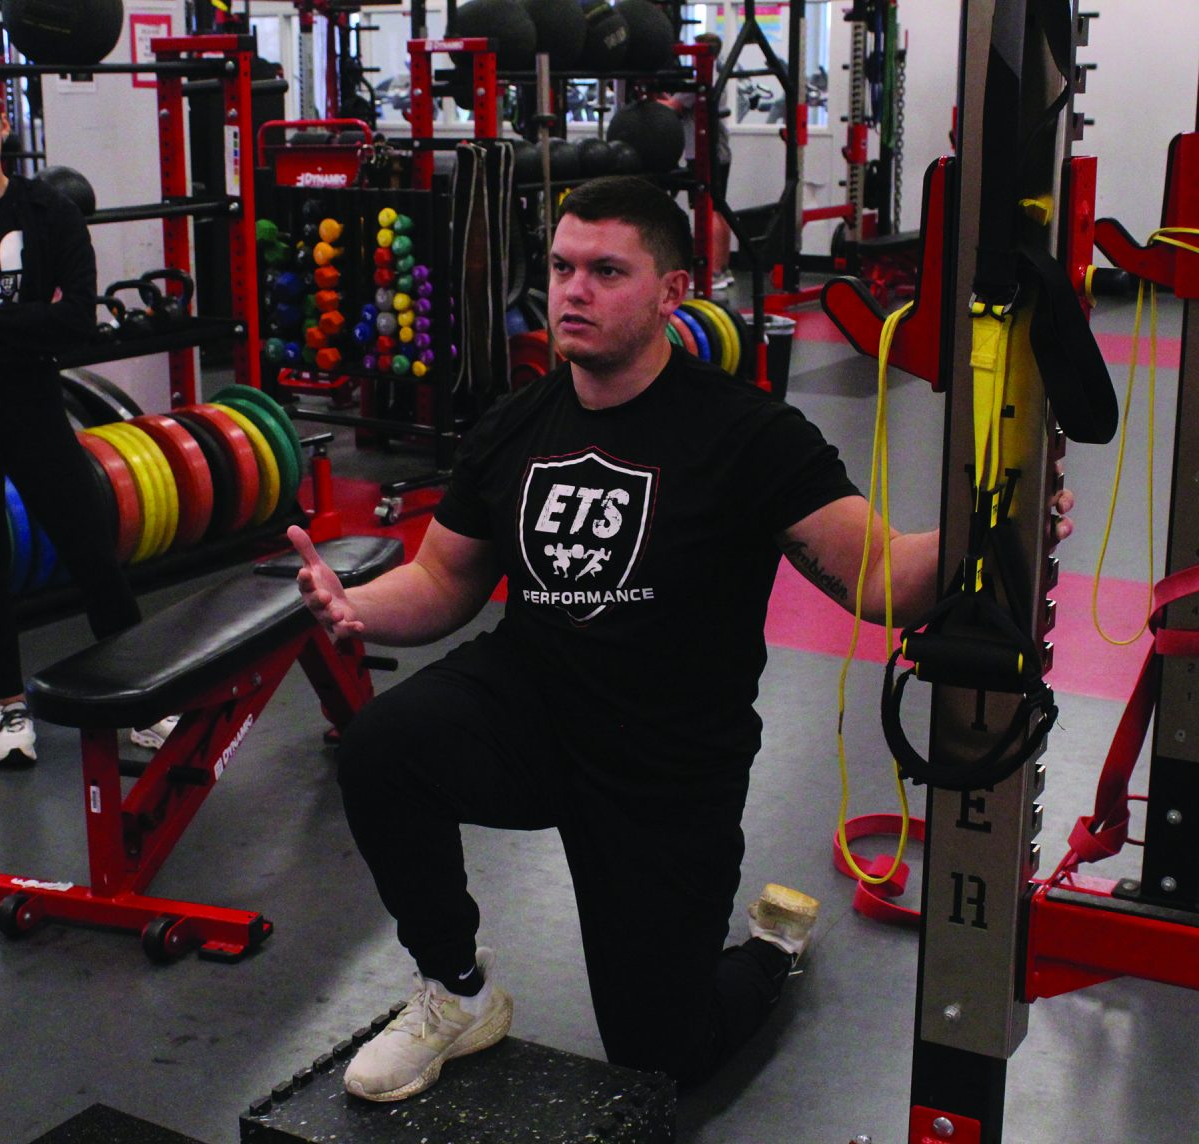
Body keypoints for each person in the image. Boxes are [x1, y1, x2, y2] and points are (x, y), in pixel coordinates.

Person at [288, 174, 1073, 1100]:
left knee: (661, 1055)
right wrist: (359, 605)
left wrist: (991, 534)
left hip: (668, 761)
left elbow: (877, 576)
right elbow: (444, 580)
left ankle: (772, 956)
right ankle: (457, 992)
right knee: (383, 750)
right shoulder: (513, 425)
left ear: (671, 291)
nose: (573, 291)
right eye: (563, 267)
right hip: (530, 708)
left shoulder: (748, 436)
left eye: (607, 270)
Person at [0, 135, 167, 765]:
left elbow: (75, 322)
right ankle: (7, 707)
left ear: (1, 125)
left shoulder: (50, 211)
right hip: (24, 375)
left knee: (90, 545)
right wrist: (34, 317)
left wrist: (43, 323)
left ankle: (139, 697)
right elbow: (52, 318)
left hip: (33, 402)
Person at [665, 32, 734, 289]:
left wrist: (649, 100)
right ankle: (723, 269)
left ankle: (713, 272)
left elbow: (671, 107)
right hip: (718, 152)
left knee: (710, 210)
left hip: (706, 153)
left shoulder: (703, 78)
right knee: (719, 209)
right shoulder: (718, 74)